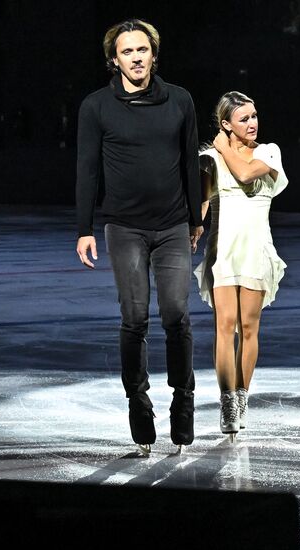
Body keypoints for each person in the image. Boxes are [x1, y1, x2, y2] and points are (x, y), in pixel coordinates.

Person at [76, 19, 203, 456]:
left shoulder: (180, 100)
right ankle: (139, 405)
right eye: (127, 52)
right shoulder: (96, 106)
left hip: (172, 226)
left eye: (142, 50)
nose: (136, 58)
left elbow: (189, 162)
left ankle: (183, 403)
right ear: (114, 59)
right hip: (124, 227)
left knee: (176, 314)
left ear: (153, 54)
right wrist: (83, 228)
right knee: (134, 318)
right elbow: (87, 170)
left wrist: (195, 219)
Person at [195, 92, 288, 437]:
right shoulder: (209, 158)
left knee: (248, 328)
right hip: (224, 251)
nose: (252, 123)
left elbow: (247, 174)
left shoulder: (268, 152)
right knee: (225, 325)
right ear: (226, 125)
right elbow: (201, 203)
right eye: (243, 119)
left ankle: (242, 395)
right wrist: (195, 227)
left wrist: (224, 149)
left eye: (254, 116)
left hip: (255, 250)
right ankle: (226, 400)